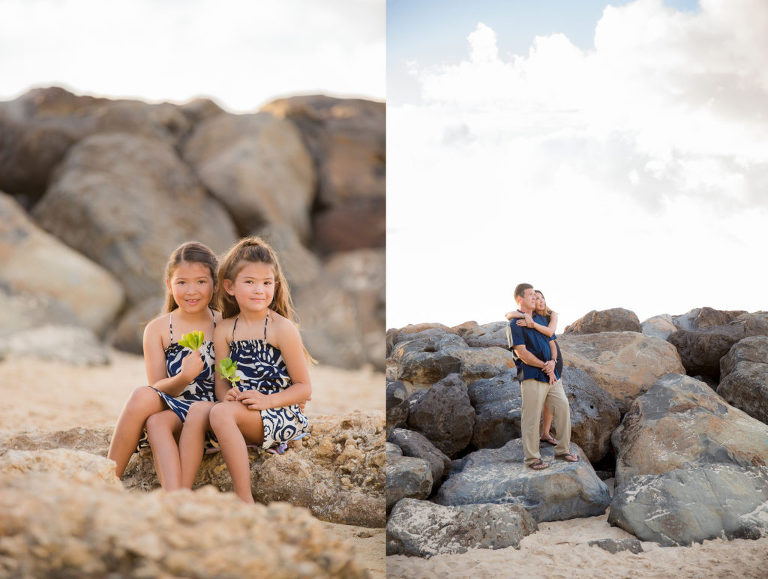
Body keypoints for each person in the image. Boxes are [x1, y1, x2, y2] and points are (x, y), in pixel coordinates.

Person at [179, 236, 311, 503]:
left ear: (275, 285)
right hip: (242, 408)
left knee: (221, 414)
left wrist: (267, 401)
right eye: (249, 282)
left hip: (279, 412)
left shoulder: (281, 328)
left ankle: (244, 500)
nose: (259, 290)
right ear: (229, 286)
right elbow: (221, 383)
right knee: (198, 410)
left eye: (266, 283)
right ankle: (180, 494)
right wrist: (227, 394)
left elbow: (304, 388)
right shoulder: (226, 329)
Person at [107, 241, 220, 489]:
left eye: (201, 281)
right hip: (176, 405)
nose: (191, 291)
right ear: (169, 285)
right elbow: (157, 389)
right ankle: (109, 478)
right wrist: (184, 377)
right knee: (147, 406)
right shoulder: (158, 329)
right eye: (182, 282)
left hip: (213, 410)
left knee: (155, 416)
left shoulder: (223, 324)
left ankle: (175, 495)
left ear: (215, 284)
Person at [508, 283, 577, 469]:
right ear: (520, 299)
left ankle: (563, 451)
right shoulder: (515, 324)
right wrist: (543, 366)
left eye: (536, 294)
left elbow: (552, 342)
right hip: (532, 375)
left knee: (562, 408)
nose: (535, 297)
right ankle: (532, 458)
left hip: (552, 375)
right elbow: (522, 353)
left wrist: (552, 362)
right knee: (531, 418)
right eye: (530, 294)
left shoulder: (541, 318)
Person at [506, 289, 562, 445]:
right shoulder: (532, 316)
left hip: (554, 357)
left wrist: (532, 323)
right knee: (541, 397)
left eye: (542, 297)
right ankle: (540, 436)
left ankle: (545, 432)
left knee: (550, 397)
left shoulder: (550, 315)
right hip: (541, 359)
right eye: (536, 298)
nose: (540, 301)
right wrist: (525, 316)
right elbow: (509, 314)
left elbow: (550, 332)